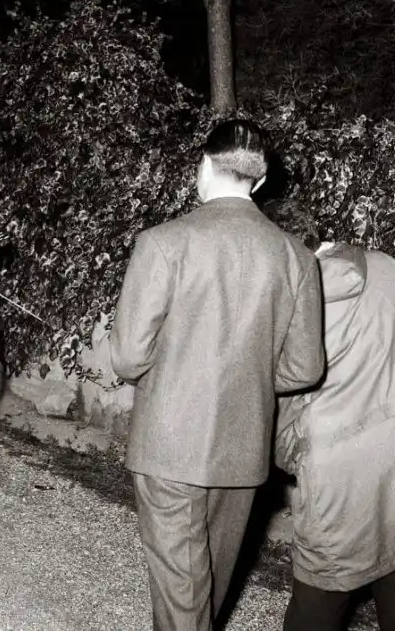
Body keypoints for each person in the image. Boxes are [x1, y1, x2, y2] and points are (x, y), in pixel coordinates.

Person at [109, 119, 325, 630]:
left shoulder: (164, 242)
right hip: (242, 451)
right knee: (204, 598)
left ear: (204, 164)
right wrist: (245, 378)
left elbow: (129, 357)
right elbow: (304, 367)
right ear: (260, 178)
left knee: (185, 603)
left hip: (170, 447)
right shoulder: (296, 257)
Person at [266, 200, 395, 631]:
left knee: (320, 596)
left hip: (333, 473)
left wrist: (290, 452)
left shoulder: (286, 303)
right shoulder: (385, 267)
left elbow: (276, 398)